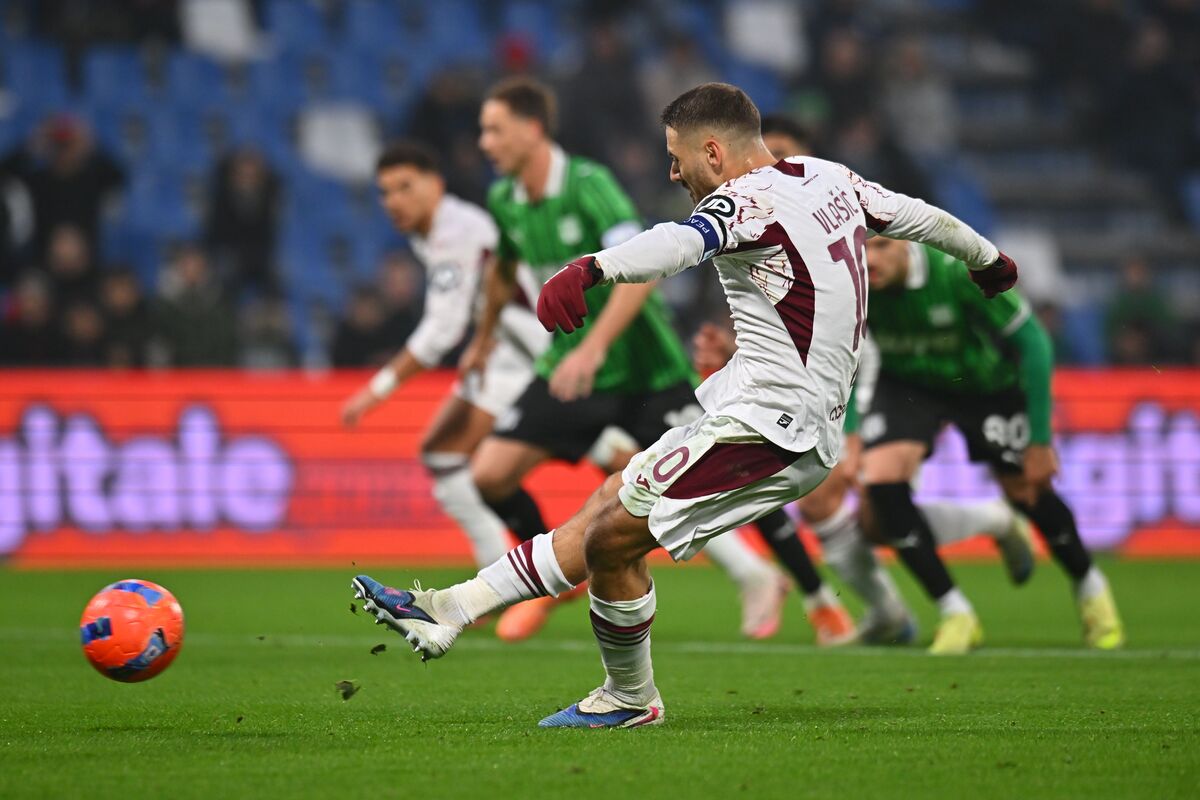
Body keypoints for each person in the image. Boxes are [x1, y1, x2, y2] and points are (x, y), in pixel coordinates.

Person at [351, 82, 1019, 727]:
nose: (673, 173)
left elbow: (676, 243)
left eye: (677, 159)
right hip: (755, 408)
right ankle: (453, 611)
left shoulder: (743, 200)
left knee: (615, 533)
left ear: (713, 154)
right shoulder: (828, 178)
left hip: (776, 428)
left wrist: (592, 268)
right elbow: (922, 216)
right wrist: (987, 259)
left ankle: (608, 687)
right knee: (613, 502)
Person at [456, 77, 795, 642]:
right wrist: (483, 337)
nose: (484, 143)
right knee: (490, 473)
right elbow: (502, 270)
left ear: (532, 129)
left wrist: (594, 347)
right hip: (569, 367)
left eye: (494, 129)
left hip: (642, 368)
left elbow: (643, 275)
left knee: (694, 479)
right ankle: (556, 577)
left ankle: (764, 574)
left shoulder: (590, 185)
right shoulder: (503, 200)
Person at [693, 115, 1034, 645]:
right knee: (860, 516)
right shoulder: (755, 220)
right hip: (824, 380)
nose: (762, 167)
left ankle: (929, 599)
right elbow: (784, 326)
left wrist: (849, 426)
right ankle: (903, 601)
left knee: (864, 503)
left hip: (866, 378)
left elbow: (842, 327)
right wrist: (732, 353)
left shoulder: (828, 202)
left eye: (779, 153)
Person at [851, 234, 1124, 654]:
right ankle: (955, 611)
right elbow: (842, 354)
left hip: (983, 386)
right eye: (862, 247)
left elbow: (1032, 340)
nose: (870, 259)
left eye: (882, 245)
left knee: (1027, 491)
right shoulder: (852, 282)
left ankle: (1091, 587)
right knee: (878, 503)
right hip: (909, 385)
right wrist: (850, 431)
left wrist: (1039, 440)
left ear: (909, 244)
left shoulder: (956, 272)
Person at [340, 141, 548, 569]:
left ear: (435, 185)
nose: (394, 201)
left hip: (537, 351)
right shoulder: (434, 231)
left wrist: (376, 390)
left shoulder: (454, 232)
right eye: (385, 192)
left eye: (405, 187)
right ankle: (503, 569)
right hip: (503, 350)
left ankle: (536, 571)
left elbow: (442, 331)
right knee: (442, 452)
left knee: (629, 462)